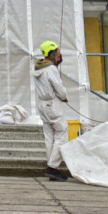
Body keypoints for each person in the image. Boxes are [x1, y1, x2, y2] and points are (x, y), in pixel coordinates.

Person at [33, 41, 72, 180]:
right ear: (52, 53)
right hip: (52, 104)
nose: (59, 55)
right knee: (61, 134)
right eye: (58, 52)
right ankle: (52, 167)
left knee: (49, 136)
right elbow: (59, 88)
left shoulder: (38, 67)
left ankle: (51, 168)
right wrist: (64, 97)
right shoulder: (51, 69)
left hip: (42, 104)